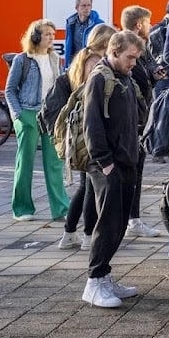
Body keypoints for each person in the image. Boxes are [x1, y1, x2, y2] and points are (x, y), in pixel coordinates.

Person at [81, 30, 145, 308]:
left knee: (118, 224)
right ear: (114, 51)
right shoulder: (99, 78)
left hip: (126, 160)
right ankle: (94, 282)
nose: (134, 63)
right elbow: (92, 125)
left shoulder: (123, 76)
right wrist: (105, 163)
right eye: (130, 57)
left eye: (136, 57)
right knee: (107, 223)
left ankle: (104, 276)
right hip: (108, 164)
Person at [58, 23, 116, 249]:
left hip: (80, 131)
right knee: (90, 187)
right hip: (87, 131)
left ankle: (70, 232)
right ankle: (87, 234)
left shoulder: (82, 59)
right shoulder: (94, 63)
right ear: (105, 43)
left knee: (85, 186)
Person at [6, 19, 70, 222]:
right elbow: (10, 90)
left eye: (53, 34)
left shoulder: (55, 58)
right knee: (25, 162)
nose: (52, 37)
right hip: (27, 113)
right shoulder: (22, 60)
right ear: (35, 37)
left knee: (55, 162)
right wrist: (18, 115)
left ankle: (61, 209)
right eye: (47, 34)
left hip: (50, 115)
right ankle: (22, 208)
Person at [119, 5, 163, 240]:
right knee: (130, 173)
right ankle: (129, 220)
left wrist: (154, 77)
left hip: (140, 119)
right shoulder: (130, 50)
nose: (150, 26)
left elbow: (145, 81)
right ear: (139, 24)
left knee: (136, 172)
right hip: (132, 122)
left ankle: (131, 219)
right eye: (148, 22)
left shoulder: (142, 50)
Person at [64, 0, 105, 69]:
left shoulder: (99, 24)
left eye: (89, 5)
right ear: (77, 7)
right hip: (75, 64)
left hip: (91, 64)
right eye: (83, 6)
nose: (87, 8)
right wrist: (67, 65)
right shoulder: (70, 24)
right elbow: (68, 46)